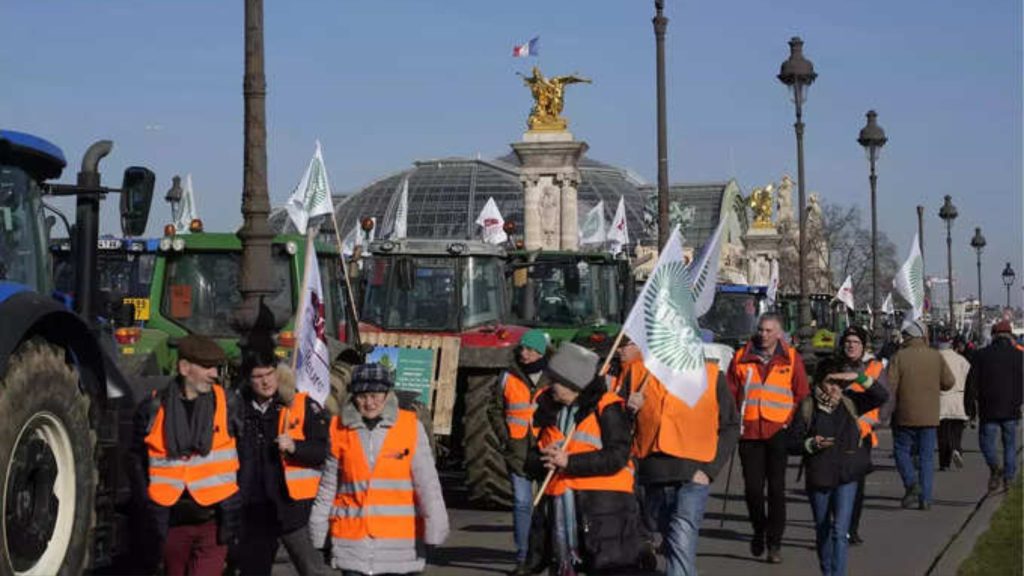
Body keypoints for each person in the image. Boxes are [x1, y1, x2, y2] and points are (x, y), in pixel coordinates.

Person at [309, 363, 449, 575]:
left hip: (399, 548)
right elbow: (329, 485)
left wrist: (435, 530)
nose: (369, 402)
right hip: (352, 543)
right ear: (353, 396)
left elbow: (427, 484)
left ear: (387, 394)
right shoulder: (338, 429)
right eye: (363, 396)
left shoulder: (410, 427)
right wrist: (319, 530)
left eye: (376, 395)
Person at [625, 338, 740, 575]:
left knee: (682, 543)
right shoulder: (638, 373)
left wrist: (709, 471)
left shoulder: (710, 374)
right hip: (653, 475)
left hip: (693, 476)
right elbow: (615, 423)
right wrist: (627, 408)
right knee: (673, 543)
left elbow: (730, 425)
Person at [525, 343, 642, 575]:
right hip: (559, 513)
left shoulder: (607, 408)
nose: (551, 387)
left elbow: (617, 456)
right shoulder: (548, 410)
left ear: (573, 384)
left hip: (603, 515)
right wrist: (541, 461)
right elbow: (530, 459)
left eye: (555, 381)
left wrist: (570, 463)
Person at [135, 334, 242, 576]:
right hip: (171, 522)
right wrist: (147, 503)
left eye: (216, 367)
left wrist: (236, 509)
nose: (214, 373)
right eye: (206, 367)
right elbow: (136, 460)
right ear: (184, 368)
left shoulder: (229, 404)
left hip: (214, 521)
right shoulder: (152, 408)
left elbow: (243, 455)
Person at [230, 338, 330, 575]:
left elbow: (323, 451)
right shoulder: (236, 409)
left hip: (293, 509)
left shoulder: (300, 405)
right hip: (254, 509)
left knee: (313, 570)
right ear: (248, 379)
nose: (265, 381)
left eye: (269, 373)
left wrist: (296, 447)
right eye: (257, 376)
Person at [787, 358, 889, 576]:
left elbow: (882, 396)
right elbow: (791, 442)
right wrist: (811, 444)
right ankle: (827, 571)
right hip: (819, 475)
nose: (834, 388)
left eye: (838, 383)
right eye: (829, 382)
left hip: (847, 475)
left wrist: (859, 378)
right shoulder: (808, 406)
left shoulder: (849, 401)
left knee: (840, 531)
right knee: (823, 528)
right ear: (819, 382)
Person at [727, 312, 810, 563]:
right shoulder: (741, 356)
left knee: (776, 489)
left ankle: (775, 544)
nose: (763, 335)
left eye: (769, 331)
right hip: (749, 431)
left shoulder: (791, 357)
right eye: (761, 330)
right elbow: (730, 393)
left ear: (779, 333)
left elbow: (801, 392)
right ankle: (759, 529)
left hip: (778, 431)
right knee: (753, 489)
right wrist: (733, 421)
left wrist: (789, 420)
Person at [489, 329, 552, 575]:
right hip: (517, 450)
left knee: (549, 506)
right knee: (522, 503)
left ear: (540, 351)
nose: (523, 353)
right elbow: (494, 409)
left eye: (528, 348)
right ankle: (523, 557)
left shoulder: (553, 377)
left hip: (548, 449)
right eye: (522, 348)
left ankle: (549, 553)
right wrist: (504, 437)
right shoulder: (507, 376)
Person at [887, 319, 955, 510]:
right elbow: (949, 382)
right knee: (926, 458)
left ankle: (911, 483)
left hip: (904, 414)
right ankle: (926, 498)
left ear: (907, 337)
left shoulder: (898, 356)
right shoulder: (935, 356)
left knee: (901, 451)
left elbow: (889, 386)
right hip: (930, 415)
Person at [827, 326, 886, 546]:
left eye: (856, 342)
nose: (851, 345)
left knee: (856, 485)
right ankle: (838, 524)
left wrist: (878, 420)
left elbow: (886, 398)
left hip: (863, 435)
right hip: (835, 434)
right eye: (848, 342)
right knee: (833, 482)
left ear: (863, 346)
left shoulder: (875, 367)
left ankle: (851, 528)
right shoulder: (833, 367)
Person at [965, 320, 1024, 493]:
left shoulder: (981, 355)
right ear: (1010, 336)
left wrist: (970, 407)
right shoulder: (1019, 356)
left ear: (993, 335)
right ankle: (1009, 478)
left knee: (986, 442)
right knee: (1010, 445)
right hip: (1012, 408)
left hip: (988, 407)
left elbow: (971, 384)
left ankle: (995, 468)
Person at [936, 330, 970, 472]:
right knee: (956, 430)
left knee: (942, 433)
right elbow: (968, 376)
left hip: (941, 399)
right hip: (958, 399)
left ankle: (944, 462)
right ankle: (956, 448)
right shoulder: (961, 359)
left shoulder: (935, 358)